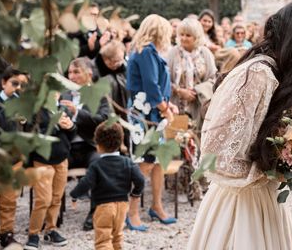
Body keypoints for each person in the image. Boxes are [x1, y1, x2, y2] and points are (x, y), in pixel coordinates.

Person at [187, 0, 292, 250]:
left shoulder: (282, 78)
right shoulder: (258, 74)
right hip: (239, 210)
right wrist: (282, 168)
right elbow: (214, 156)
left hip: (266, 202)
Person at [126, 14, 178, 230]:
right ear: (159, 31)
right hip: (145, 116)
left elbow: (160, 86)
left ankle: (156, 206)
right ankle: (131, 212)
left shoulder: (150, 52)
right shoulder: (145, 51)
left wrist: (169, 104)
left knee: (158, 163)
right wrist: (166, 110)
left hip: (155, 114)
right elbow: (150, 85)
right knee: (145, 163)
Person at [71, 122, 145, 250]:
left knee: (103, 241)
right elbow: (140, 179)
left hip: (103, 207)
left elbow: (86, 182)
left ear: (98, 146)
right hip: (122, 206)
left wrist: (74, 195)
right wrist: (135, 193)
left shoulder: (96, 165)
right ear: (120, 143)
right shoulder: (128, 162)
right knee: (117, 237)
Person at [60, 57, 111, 231]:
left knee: (99, 164)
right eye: (70, 73)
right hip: (68, 147)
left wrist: (78, 113)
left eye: (76, 72)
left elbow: (104, 121)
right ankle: (53, 215)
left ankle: (94, 213)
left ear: (89, 74)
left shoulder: (100, 96)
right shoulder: (63, 95)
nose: (72, 76)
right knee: (54, 161)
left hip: (90, 147)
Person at [25, 93, 76, 249]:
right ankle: (33, 234)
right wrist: (54, 125)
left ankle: (51, 229)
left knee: (56, 198)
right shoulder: (35, 111)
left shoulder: (63, 109)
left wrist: (70, 126)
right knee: (43, 199)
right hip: (42, 160)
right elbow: (31, 134)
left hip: (61, 159)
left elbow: (71, 134)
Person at [0, 67, 29, 248]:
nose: (18, 88)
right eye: (14, 83)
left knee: (9, 200)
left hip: (14, 160)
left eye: (21, 85)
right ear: (3, 83)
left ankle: (6, 234)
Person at [166, 17, 217, 129]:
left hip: (199, 107)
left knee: (198, 141)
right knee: (178, 141)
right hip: (177, 106)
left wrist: (196, 91)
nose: (183, 38)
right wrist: (179, 91)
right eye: (181, 34)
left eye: (188, 35)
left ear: (196, 37)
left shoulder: (205, 53)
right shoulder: (172, 53)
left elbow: (214, 78)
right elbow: (165, 79)